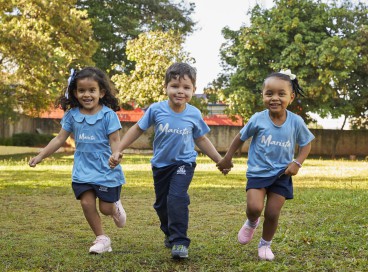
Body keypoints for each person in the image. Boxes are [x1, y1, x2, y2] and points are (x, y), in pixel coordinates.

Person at [109, 62, 227, 259]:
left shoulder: (194, 114)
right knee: (162, 205)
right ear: (166, 88)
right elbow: (137, 129)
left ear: (193, 90)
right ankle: (170, 233)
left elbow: (201, 139)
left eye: (186, 87)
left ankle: (180, 242)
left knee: (176, 198)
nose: (180, 91)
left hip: (184, 163)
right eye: (175, 86)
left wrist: (219, 160)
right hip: (161, 166)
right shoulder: (156, 110)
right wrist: (119, 149)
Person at [217, 69, 314, 261]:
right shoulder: (258, 119)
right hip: (258, 172)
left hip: (282, 175)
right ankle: (252, 222)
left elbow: (306, 144)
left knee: (272, 213)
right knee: (254, 207)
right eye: (269, 93)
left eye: (281, 94)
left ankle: (265, 245)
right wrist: (227, 158)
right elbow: (240, 137)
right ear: (263, 95)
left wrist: (297, 163)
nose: (274, 98)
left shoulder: (296, 122)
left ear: (291, 97)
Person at [29, 67, 126, 254]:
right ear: (75, 92)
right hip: (83, 169)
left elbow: (115, 140)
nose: (87, 94)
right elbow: (59, 139)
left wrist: (116, 155)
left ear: (101, 92)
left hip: (106, 168)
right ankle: (102, 238)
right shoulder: (72, 115)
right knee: (86, 203)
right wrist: (41, 156)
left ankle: (115, 207)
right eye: (82, 90)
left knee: (105, 208)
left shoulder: (108, 115)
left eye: (92, 90)